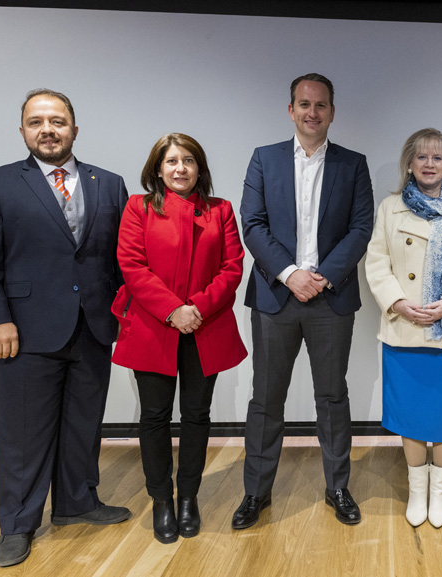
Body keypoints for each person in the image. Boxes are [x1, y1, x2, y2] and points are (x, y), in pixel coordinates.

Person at [0, 89, 132, 567]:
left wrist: (123, 315)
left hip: (93, 327)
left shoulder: (108, 183)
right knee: (23, 433)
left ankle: (77, 503)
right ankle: (17, 524)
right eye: (36, 122)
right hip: (24, 331)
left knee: (83, 425)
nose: (47, 129)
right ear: (22, 132)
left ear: (75, 128)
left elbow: (119, 259)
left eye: (57, 121)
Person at [235, 73, 374, 528]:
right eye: (303, 104)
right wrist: (292, 274)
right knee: (266, 399)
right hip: (277, 297)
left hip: (330, 300)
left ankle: (337, 487)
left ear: (332, 111)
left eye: (320, 105)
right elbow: (252, 224)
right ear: (290, 109)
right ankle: (256, 493)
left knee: (332, 397)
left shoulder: (353, 164)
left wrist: (322, 277)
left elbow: (360, 229)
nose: (312, 112)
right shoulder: (264, 159)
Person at [112, 133, 247, 544]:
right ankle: (161, 500)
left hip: (204, 327)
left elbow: (232, 268)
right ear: (158, 168)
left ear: (199, 168)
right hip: (155, 327)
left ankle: (188, 497)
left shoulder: (220, 210)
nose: (180, 168)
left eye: (188, 161)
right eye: (171, 161)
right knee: (153, 417)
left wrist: (197, 310)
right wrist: (174, 310)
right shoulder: (138, 208)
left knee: (196, 416)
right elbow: (131, 265)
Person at [365, 128, 442, 528]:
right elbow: (376, 261)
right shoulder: (391, 206)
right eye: (422, 158)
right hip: (405, 326)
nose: (430, 164)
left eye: (437, 158)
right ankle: (418, 491)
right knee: (411, 414)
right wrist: (399, 303)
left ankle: (440, 491)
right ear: (410, 164)